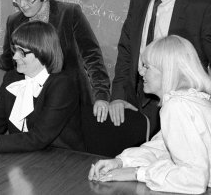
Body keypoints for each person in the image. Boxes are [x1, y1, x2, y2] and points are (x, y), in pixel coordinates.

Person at [109, 0, 211, 137]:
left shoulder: (202, 10)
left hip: (179, 107)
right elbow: (126, 52)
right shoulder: (137, 1)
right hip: (134, 101)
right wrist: (118, 97)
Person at [89, 35, 211, 194]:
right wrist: (121, 162)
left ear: (167, 71)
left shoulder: (177, 106)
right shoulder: (189, 101)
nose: (140, 71)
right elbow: (162, 148)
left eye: (146, 66)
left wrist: (137, 173)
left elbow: (194, 178)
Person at [0, 0, 110, 122]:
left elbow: (92, 56)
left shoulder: (69, 14)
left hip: (70, 102)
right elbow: (7, 63)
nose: (22, 4)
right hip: (31, 104)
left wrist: (102, 95)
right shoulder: (14, 21)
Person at [0, 21, 85, 153]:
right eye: (15, 49)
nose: (15, 56)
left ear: (42, 52)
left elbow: (39, 137)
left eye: (22, 52)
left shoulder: (62, 85)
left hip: (61, 160)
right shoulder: (11, 78)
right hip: (23, 156)